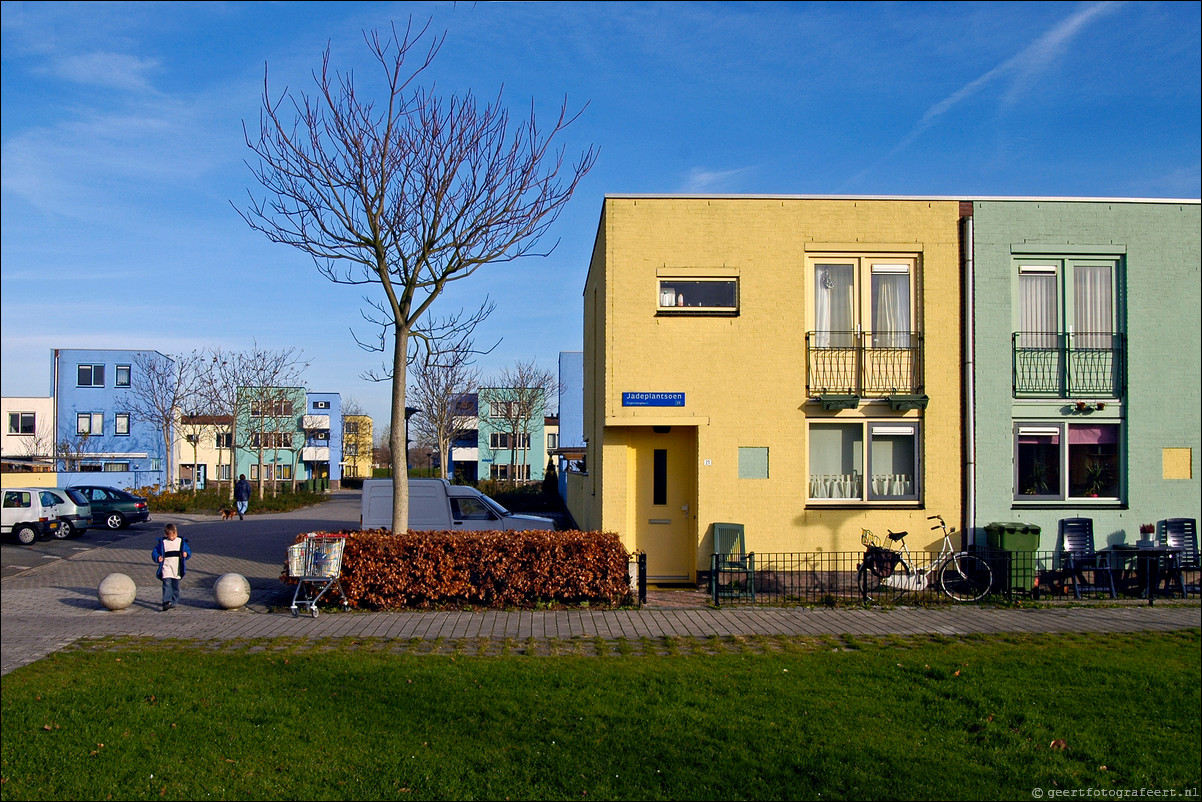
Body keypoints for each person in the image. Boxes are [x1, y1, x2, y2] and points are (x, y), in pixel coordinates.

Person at [151, 523, 191, 611]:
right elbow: (155, 552)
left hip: (177, 568)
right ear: (166, 535)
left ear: (176, 532)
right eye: (171, 536)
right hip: (166, 566)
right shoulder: (163, 543)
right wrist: (158, 557)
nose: (173, 537)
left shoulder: (180, 541)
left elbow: (188, 550)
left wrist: (186, 554)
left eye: (174, 535)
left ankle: (174, 601)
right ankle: (166, 601)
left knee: (175, 585)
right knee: (167, 583)